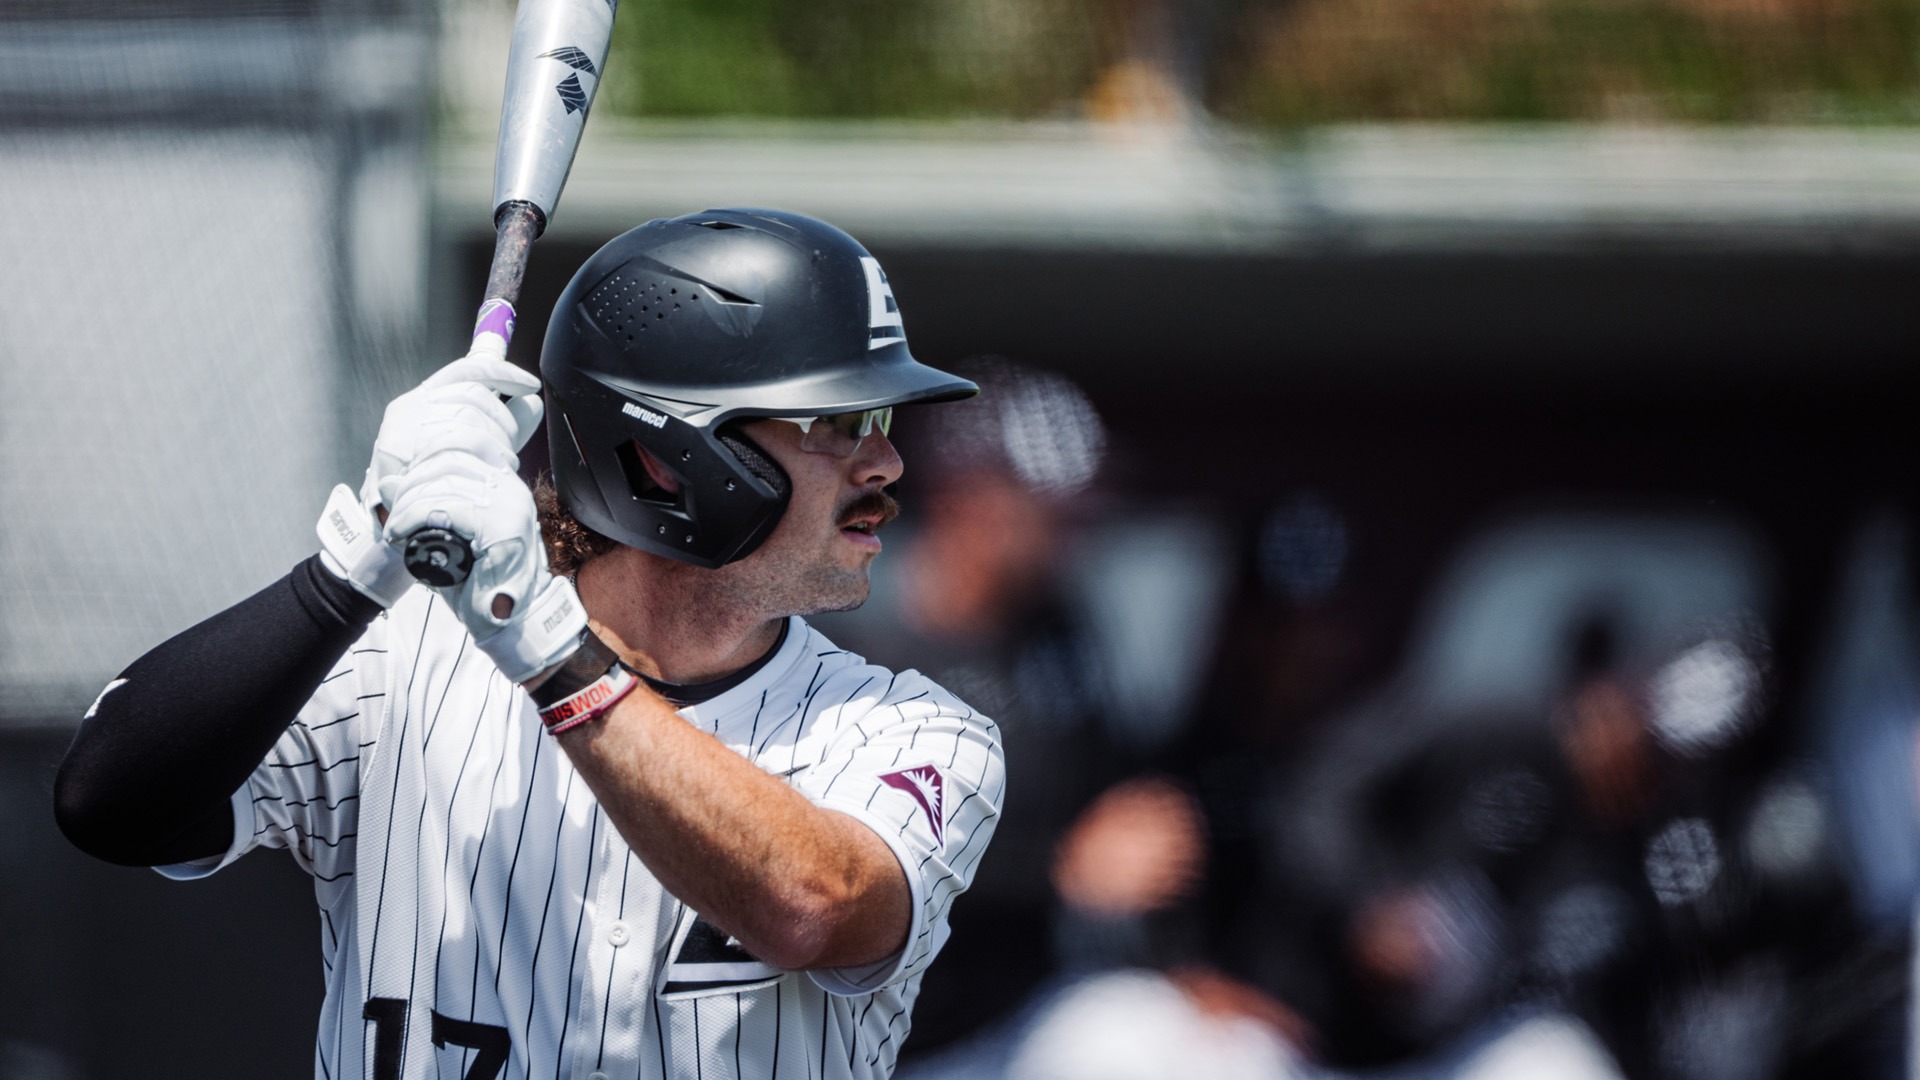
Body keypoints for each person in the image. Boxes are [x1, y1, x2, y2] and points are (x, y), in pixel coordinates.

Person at [54, 209, 1006, 1080]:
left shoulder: (915, 729)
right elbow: (110, 803)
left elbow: (816, 907)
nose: (886, 462)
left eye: (878, 420)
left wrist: (543, 642)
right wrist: (359, 563)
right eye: (834, 422)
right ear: (664, 458)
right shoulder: (400, 665)